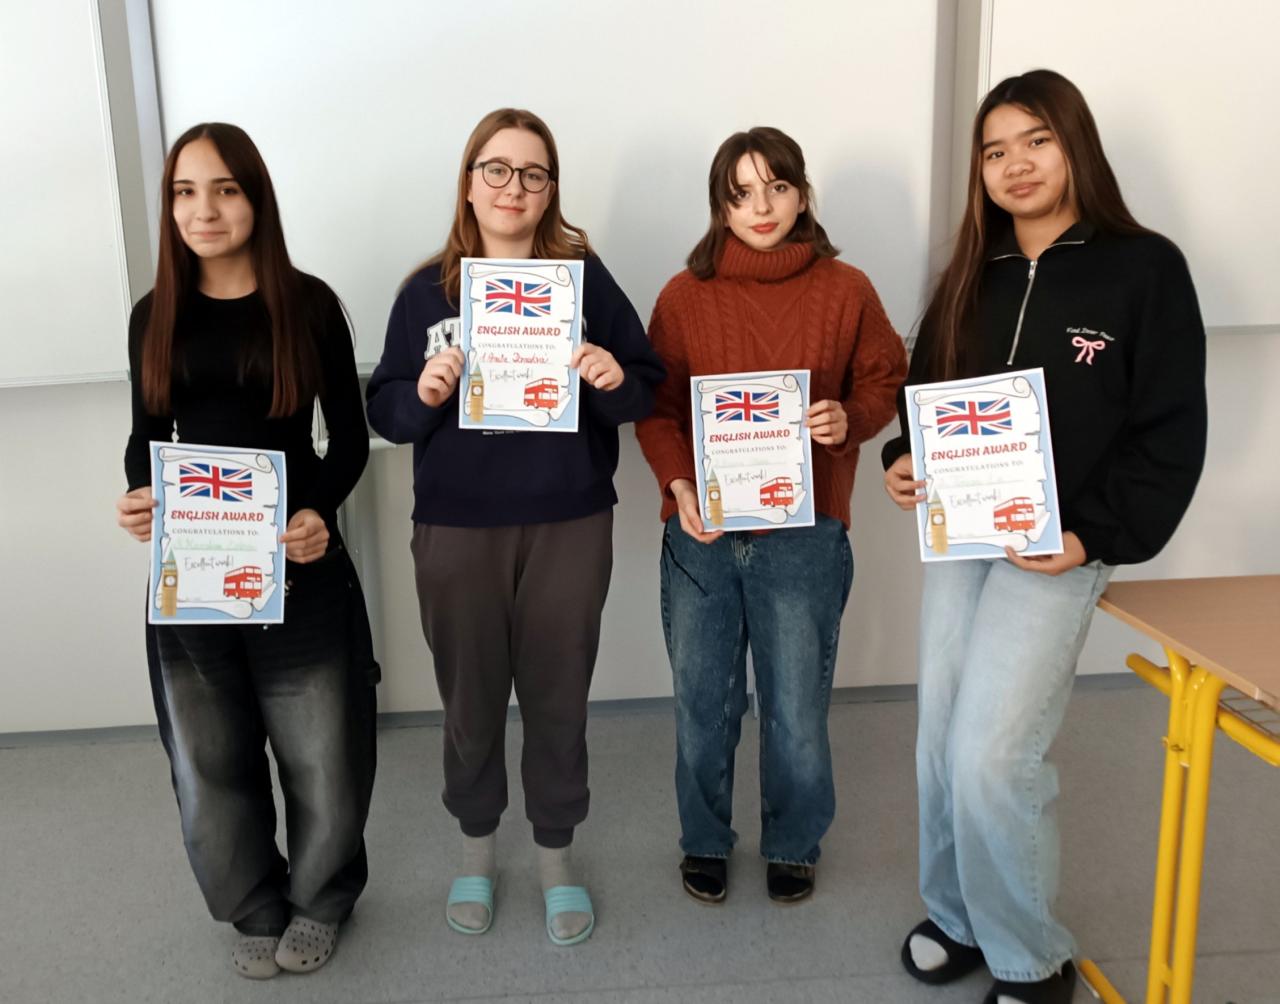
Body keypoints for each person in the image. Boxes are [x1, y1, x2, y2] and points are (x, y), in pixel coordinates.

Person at [882, 70, 1207, 1004]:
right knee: (941, 735)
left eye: (1037, 141)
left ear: (1075, 147)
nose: (1015, 164)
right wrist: (904, 457)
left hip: (1058, 545)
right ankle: (957, 913)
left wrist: (1089, 535)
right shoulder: (971, 273)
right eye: (995, 150)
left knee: (993, 753)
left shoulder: (1144, 268)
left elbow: (1170, 429)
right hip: (963, 535)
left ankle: (1031, 957)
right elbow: (927, 388)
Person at [365, 108, 665, 946]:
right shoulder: (425, 293)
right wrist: (424, 394)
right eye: (496, 169)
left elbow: (644, 388)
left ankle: (555, 856)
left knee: (558, 698)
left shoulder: (584, 282)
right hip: (458, 527)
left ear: (550, 190)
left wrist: (611, 377)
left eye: (533, 173)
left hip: (569, 520)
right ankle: (476, 850)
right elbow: (385, 411)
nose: (514, 187)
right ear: (469, 183)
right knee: (470, 701)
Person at [115, 123, 378, 980]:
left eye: (225, 189)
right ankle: (254, 904)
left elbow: (347, 440)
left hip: (300, 566)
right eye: (185, 192)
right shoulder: (153, 314)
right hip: (191, 575)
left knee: (322, 753)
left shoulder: (309, 305)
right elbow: (147, 438)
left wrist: (318, 511)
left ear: (256, 198)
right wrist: (141, 495)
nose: (204, 210)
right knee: (208, 754)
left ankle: (322, 899)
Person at [635, 126, 907, 906]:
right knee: (703, 703)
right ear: (720, 206)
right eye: (742, 193)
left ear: (801, 194)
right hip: (704, 533)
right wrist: (678, 483)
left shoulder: (846, 289)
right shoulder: (683, 297)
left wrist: (850, 418)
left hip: (806, 532)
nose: (762, 206)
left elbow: (885, 376)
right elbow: (656, 408)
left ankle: (793, 842)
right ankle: (704, 838)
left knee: (796, 708)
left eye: (777, 187)